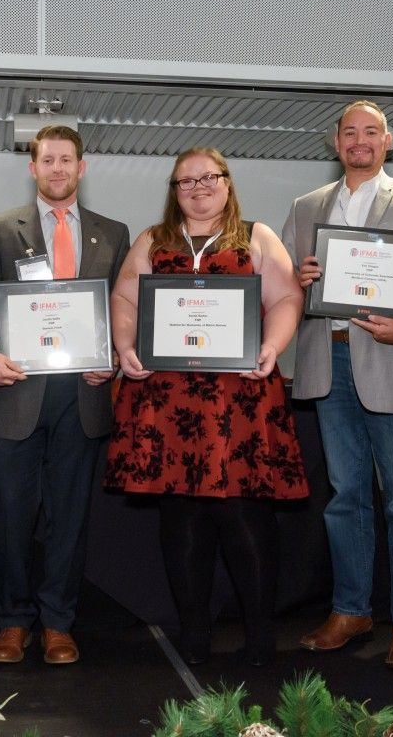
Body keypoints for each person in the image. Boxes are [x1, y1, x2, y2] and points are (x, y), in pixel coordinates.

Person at [105, 147, 307, 667]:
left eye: (207, 177)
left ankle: (260, 635)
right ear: (173, 190)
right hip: (168, 401)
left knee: (245, 515)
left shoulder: (257, 236)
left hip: (240, 397)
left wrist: (271, 348)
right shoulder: (154, 239)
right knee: (181, 515)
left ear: (227, 181)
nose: (197, 187)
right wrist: (126, 347)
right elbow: (125, 299)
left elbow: (286, 299)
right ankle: (193, 634)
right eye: (184, 181)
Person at [281, 101, 393, 672]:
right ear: (335, 143)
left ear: (388, 141)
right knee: (345, 497)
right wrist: (301, 279)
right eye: (349, 132)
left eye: (370, 132)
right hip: (326, 362)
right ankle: (351, 610)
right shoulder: (306, 207)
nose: (359, 141)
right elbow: (287, 289)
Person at [0, 125, 130, 666]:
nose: (58, 169)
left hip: (82, 397)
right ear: (33, 168)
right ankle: (12, 622)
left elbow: (119, 312)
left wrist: (111, 358)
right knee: (10, 517)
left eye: (67, 160)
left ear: (82, 168)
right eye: (48, 160)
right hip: (13, 391)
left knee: (70, 517)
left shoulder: (113, 232)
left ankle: (59, 623)